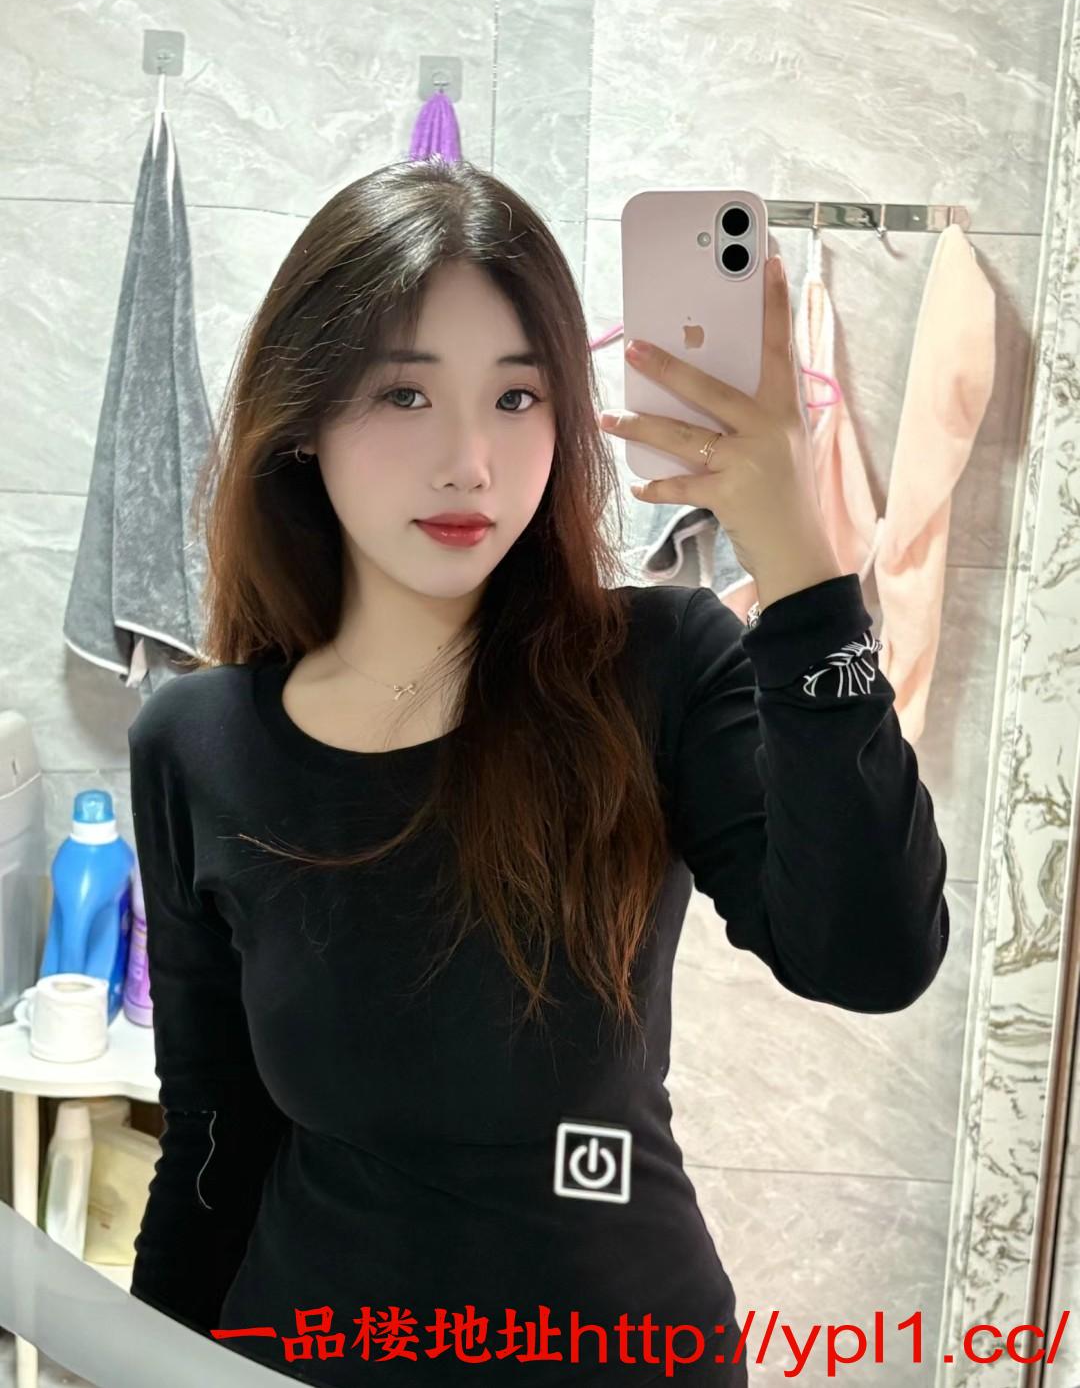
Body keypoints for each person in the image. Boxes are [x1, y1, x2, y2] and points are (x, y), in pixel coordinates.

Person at [126, 156, 949, 1386]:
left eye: (517, 397)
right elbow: (212, 1133)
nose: (470, 459)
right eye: (404, 394)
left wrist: (798, 557)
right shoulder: (195, 740)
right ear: (302, 421)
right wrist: (141, 1364)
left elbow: (872, 955)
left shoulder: (659, 666)